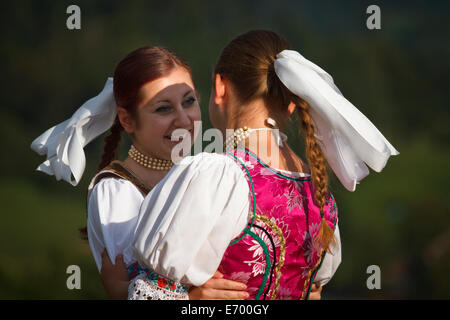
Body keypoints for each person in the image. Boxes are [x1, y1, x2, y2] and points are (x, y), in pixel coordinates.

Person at [118, 30, 398, 300]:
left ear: (220, 86)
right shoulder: (320, 194)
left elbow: (151, 292)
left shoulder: (217, 175)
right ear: (290, 104)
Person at [30, 46, 249, 300]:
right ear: (127, 120)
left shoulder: (205, 174)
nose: (183, 120)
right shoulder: (115, 191)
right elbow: (136, 292)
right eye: (163, 109)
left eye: (189, 101)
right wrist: (192, 298)